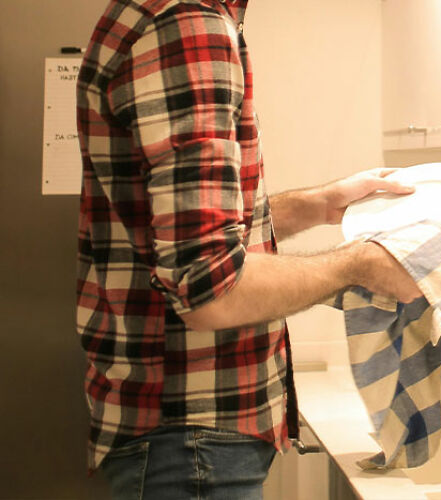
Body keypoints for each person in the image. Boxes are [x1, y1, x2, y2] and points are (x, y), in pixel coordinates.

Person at [75, 0, 421, 498]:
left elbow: (178, 230)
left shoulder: (175, 16)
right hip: (190, 436)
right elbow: (209, 289)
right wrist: (362, 264)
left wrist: (319, 205)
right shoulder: (187, 24)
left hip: (187, 435)